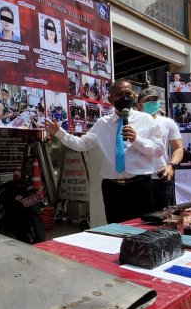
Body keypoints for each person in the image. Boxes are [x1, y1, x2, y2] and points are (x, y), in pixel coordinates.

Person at [45, 80, 165, 223]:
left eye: (128, 94)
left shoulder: (146, 120)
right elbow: (82, 144)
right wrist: (59, 133)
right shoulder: (103, 123)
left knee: (144, 233)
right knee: (116, 232)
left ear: (134, 95)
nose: (124, 98)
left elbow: (159, 150)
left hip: (140, 187)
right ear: (110, 99)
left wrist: (137, 140)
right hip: (113, 189)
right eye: (119, 94)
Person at [135, 90, 183, 209]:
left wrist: (171, 166)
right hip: (137, 179)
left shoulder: (168, 122)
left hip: (161, 177)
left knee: (163, 219)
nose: (152, 102)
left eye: (154, 100)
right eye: (147, 100)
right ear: (139, 104)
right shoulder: (132, 122)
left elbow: (178, 148)